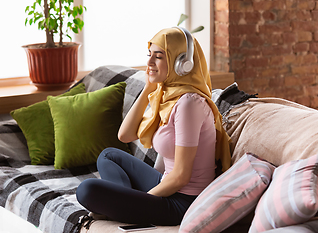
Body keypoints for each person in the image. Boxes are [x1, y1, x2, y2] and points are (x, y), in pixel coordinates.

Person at [76, 27, 231, 226]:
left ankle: (122, 207)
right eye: (149, 55)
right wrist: (148, 87)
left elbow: (181, 177)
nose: (149, 63)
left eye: (158, 57)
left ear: (183, 64)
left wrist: (143, 202)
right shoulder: (167, 95)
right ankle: (124, 203)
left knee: (86, 190)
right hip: (166, 184)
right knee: (108, 155)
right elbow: (125, 135)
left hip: (183, 202)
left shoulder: (189, 103)